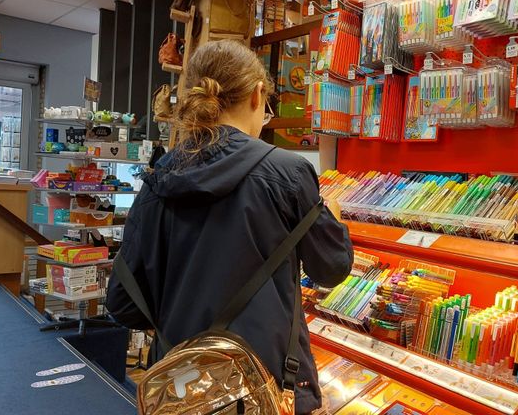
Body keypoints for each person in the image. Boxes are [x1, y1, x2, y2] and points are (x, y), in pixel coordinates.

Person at [106, 40, 354, 414]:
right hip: (271, 388)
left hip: (183, 391)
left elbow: (123, 304)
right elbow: (331, 268)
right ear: (258, 95)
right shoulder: (288, 172)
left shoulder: (159, 177)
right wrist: (330, 219)